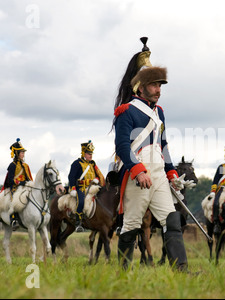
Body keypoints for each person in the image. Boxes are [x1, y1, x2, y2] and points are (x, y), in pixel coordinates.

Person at [113, 37, 188, 271]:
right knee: (132, 225)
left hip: (159, 177)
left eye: (160, 86)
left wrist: (172, 173)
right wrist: (137, 170)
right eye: (155, 85)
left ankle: (181, 272)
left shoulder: (160, 113)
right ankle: (123, 274)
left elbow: (163, 146)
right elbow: (123, 147)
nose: (159, 90)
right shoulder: (126, 111)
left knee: (171, 220)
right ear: (141, 86)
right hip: (139, 177)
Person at [68, 140, 105, 231]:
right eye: (89, 153)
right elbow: (71, 177)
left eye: (91, 153)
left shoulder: (93, 163)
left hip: (93, 187)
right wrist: (73, 188)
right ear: (84, 153)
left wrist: (97, 179)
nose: (91, 155)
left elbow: (98, 175)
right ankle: (78, 223)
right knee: (81, 202)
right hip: (81, 188)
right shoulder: (77, 163)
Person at [3, 138, 33, 231]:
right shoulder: (12, 165)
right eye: (22, 152)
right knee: (14, 201)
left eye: (23, 152)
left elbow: (29, 178)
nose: (23, 154)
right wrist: (20, 182)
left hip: (25, 187)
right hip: (15, 187)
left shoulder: (25, 165)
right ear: (17, 153)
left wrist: (28, 183)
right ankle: (13, 219)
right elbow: (10, 180)